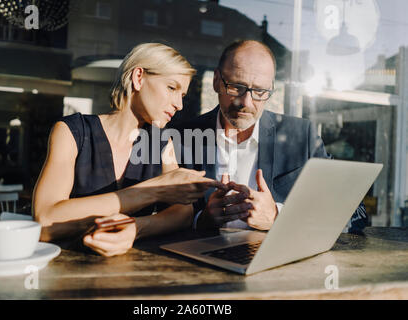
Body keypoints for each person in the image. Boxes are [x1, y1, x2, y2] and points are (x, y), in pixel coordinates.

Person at [33, 43, 226, 257]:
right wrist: (153, 190)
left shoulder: (161, 142)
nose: (179, 105)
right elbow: (45, 221)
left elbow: (182, 212)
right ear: (138, 77)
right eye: (172, 88)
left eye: (182, 95)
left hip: (131, 271)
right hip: (66, 272)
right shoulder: (71, 131)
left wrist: (135, 227)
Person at [173, 40, 367, 234]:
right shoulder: (180, 138)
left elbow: (356, 214)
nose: (246, 102)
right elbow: (160, 218)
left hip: (273, 261)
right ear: (216, 81)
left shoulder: (300, 136)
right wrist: (202, 220)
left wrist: (277, 217)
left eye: (259, 91)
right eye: (236, 87)